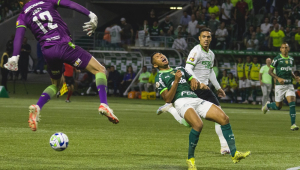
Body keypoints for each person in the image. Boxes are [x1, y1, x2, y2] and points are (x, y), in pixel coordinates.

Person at [5, 0, 119, 131]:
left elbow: (19, 36)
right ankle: (104, 104)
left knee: (57, 84)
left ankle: (37, 107)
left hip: (48, 51)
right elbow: (69, 4)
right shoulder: (46, 1)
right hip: (64, 45)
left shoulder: (23, 15)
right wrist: (90, 14)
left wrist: (15, 56)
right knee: (100, 69)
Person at [152, 52, 251, 169]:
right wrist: (176, 81)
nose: (162, 56)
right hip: (181, 102)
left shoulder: (180, 69)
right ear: (155, 65)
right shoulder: (159, 77)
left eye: (162, 54)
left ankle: (234, 154)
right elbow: (167, 98)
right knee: (198, 125)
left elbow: (193, 82)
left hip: (195, 98)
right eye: (158, 57)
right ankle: (190, 160)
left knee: (224, 119)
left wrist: (199, 84)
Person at [158, 28, 231, 156]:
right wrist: (197, 81)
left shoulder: (211, 54)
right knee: (189, 123)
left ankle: (224, 147)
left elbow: (211, 72)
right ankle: (170, 109)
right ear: (199, 38)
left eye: (208, 37)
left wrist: (218, 87)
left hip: (205, 89)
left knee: (221, 115)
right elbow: (188, 68)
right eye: (204, 37)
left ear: (211, 38)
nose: (206, 39)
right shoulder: (195, 51)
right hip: (193, 88)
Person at [262, 42, 299, 131]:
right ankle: (268, 105)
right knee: (278, 106)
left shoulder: (291, 59)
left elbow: (290, 71)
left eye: (286, 47)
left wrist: (295, 77)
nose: (284, 49)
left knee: (292, 103)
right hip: (280, 86)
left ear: (288, 49)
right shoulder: (277, 59)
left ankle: (293, 124)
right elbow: (270, 72)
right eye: (283, 47)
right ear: (280, 49)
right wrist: (278, 78)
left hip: (289, 84)